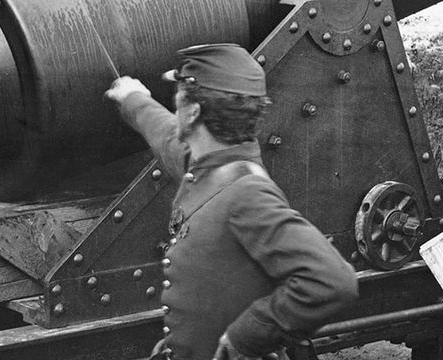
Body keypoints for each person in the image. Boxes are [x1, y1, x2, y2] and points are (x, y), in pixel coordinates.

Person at [104, 43, 358, 360]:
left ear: (194, 111)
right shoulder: (211, 163)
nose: (176, 105)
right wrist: (133, 99)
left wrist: (244, 339)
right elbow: (168, 136)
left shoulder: (247, 195)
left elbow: (333, 280)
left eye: (180, 97)